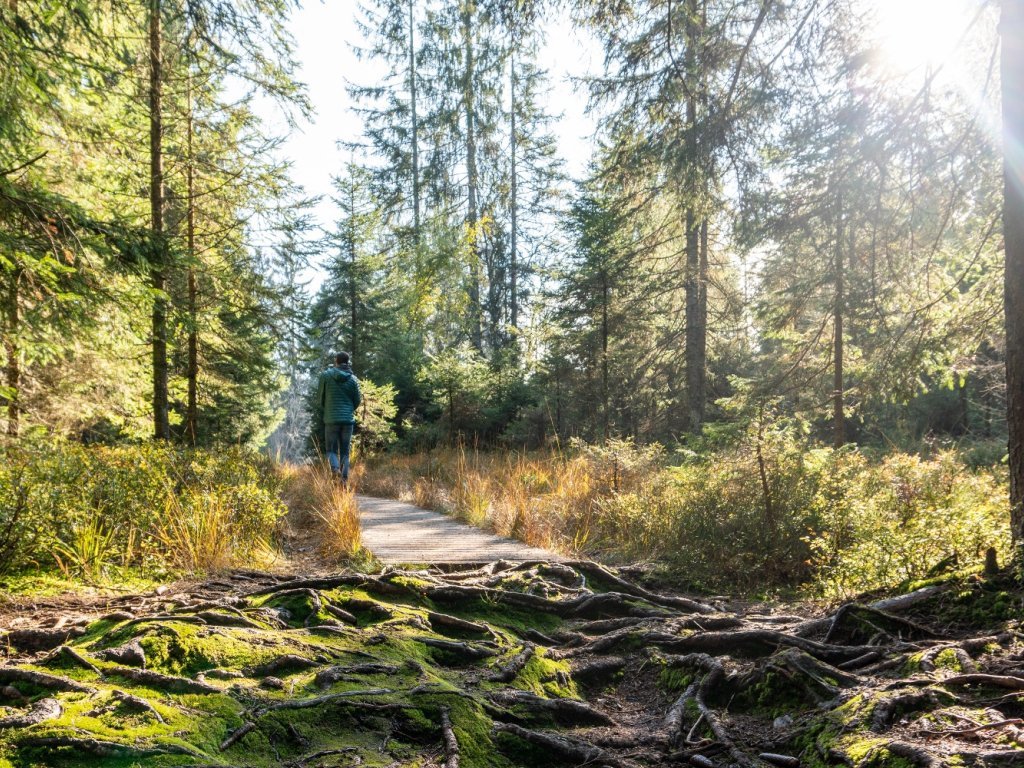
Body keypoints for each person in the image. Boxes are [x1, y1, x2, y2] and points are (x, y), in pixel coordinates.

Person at [317, 352, 362, 485]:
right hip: (348, 420)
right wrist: (348, 410)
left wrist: (329, 409)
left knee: (330, 450)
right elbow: (357, 401)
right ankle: (343, 481)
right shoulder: (354, 379)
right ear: (347, 362)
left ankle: (335, 469)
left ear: (336, 361)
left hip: (331, 419)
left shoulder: (325, 376)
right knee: (345, 452)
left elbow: (320, 399)